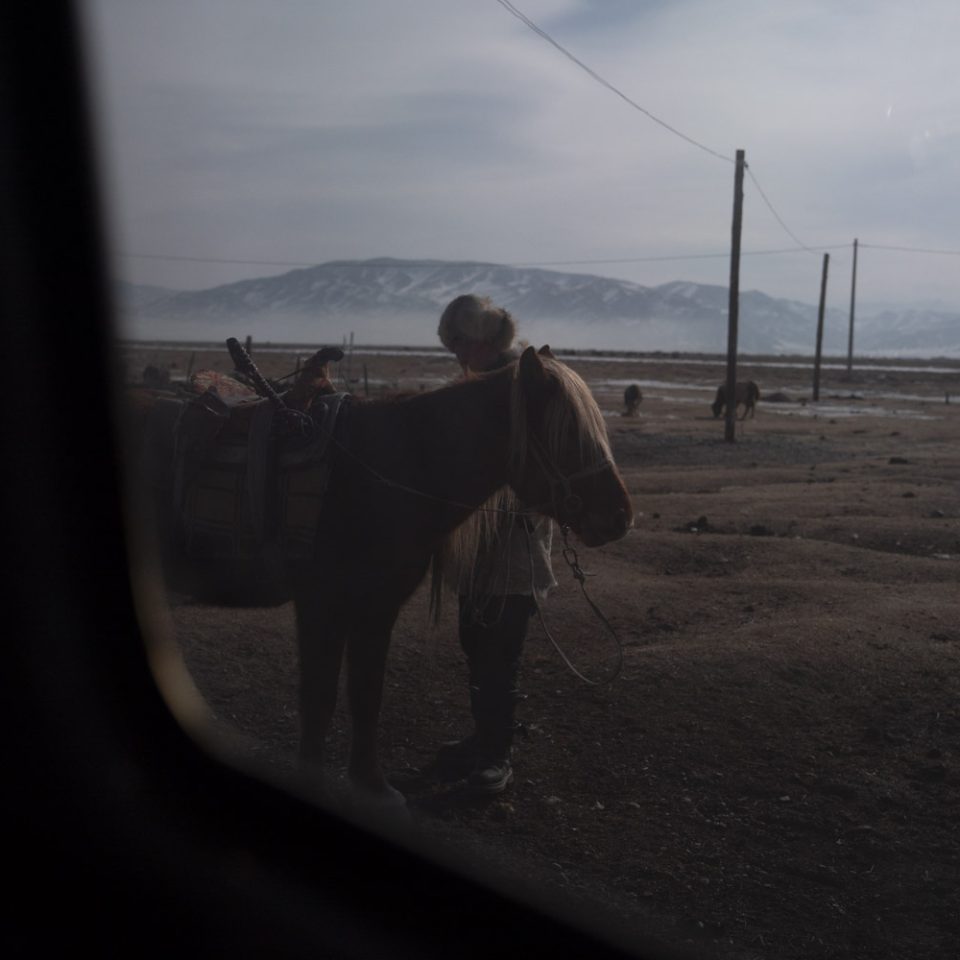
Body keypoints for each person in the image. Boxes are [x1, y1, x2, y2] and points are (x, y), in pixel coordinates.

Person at [434, 294, 557, 794]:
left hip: (513, 551)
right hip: (479, 552)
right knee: (476, 645)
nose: (457, 356)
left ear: (481, 340)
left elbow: (538, 469)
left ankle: (495, 756)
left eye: (460, 344)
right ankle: (484, 740)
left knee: (499, 654)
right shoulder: (480, 387)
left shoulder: (526, 390)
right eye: (452, 347)